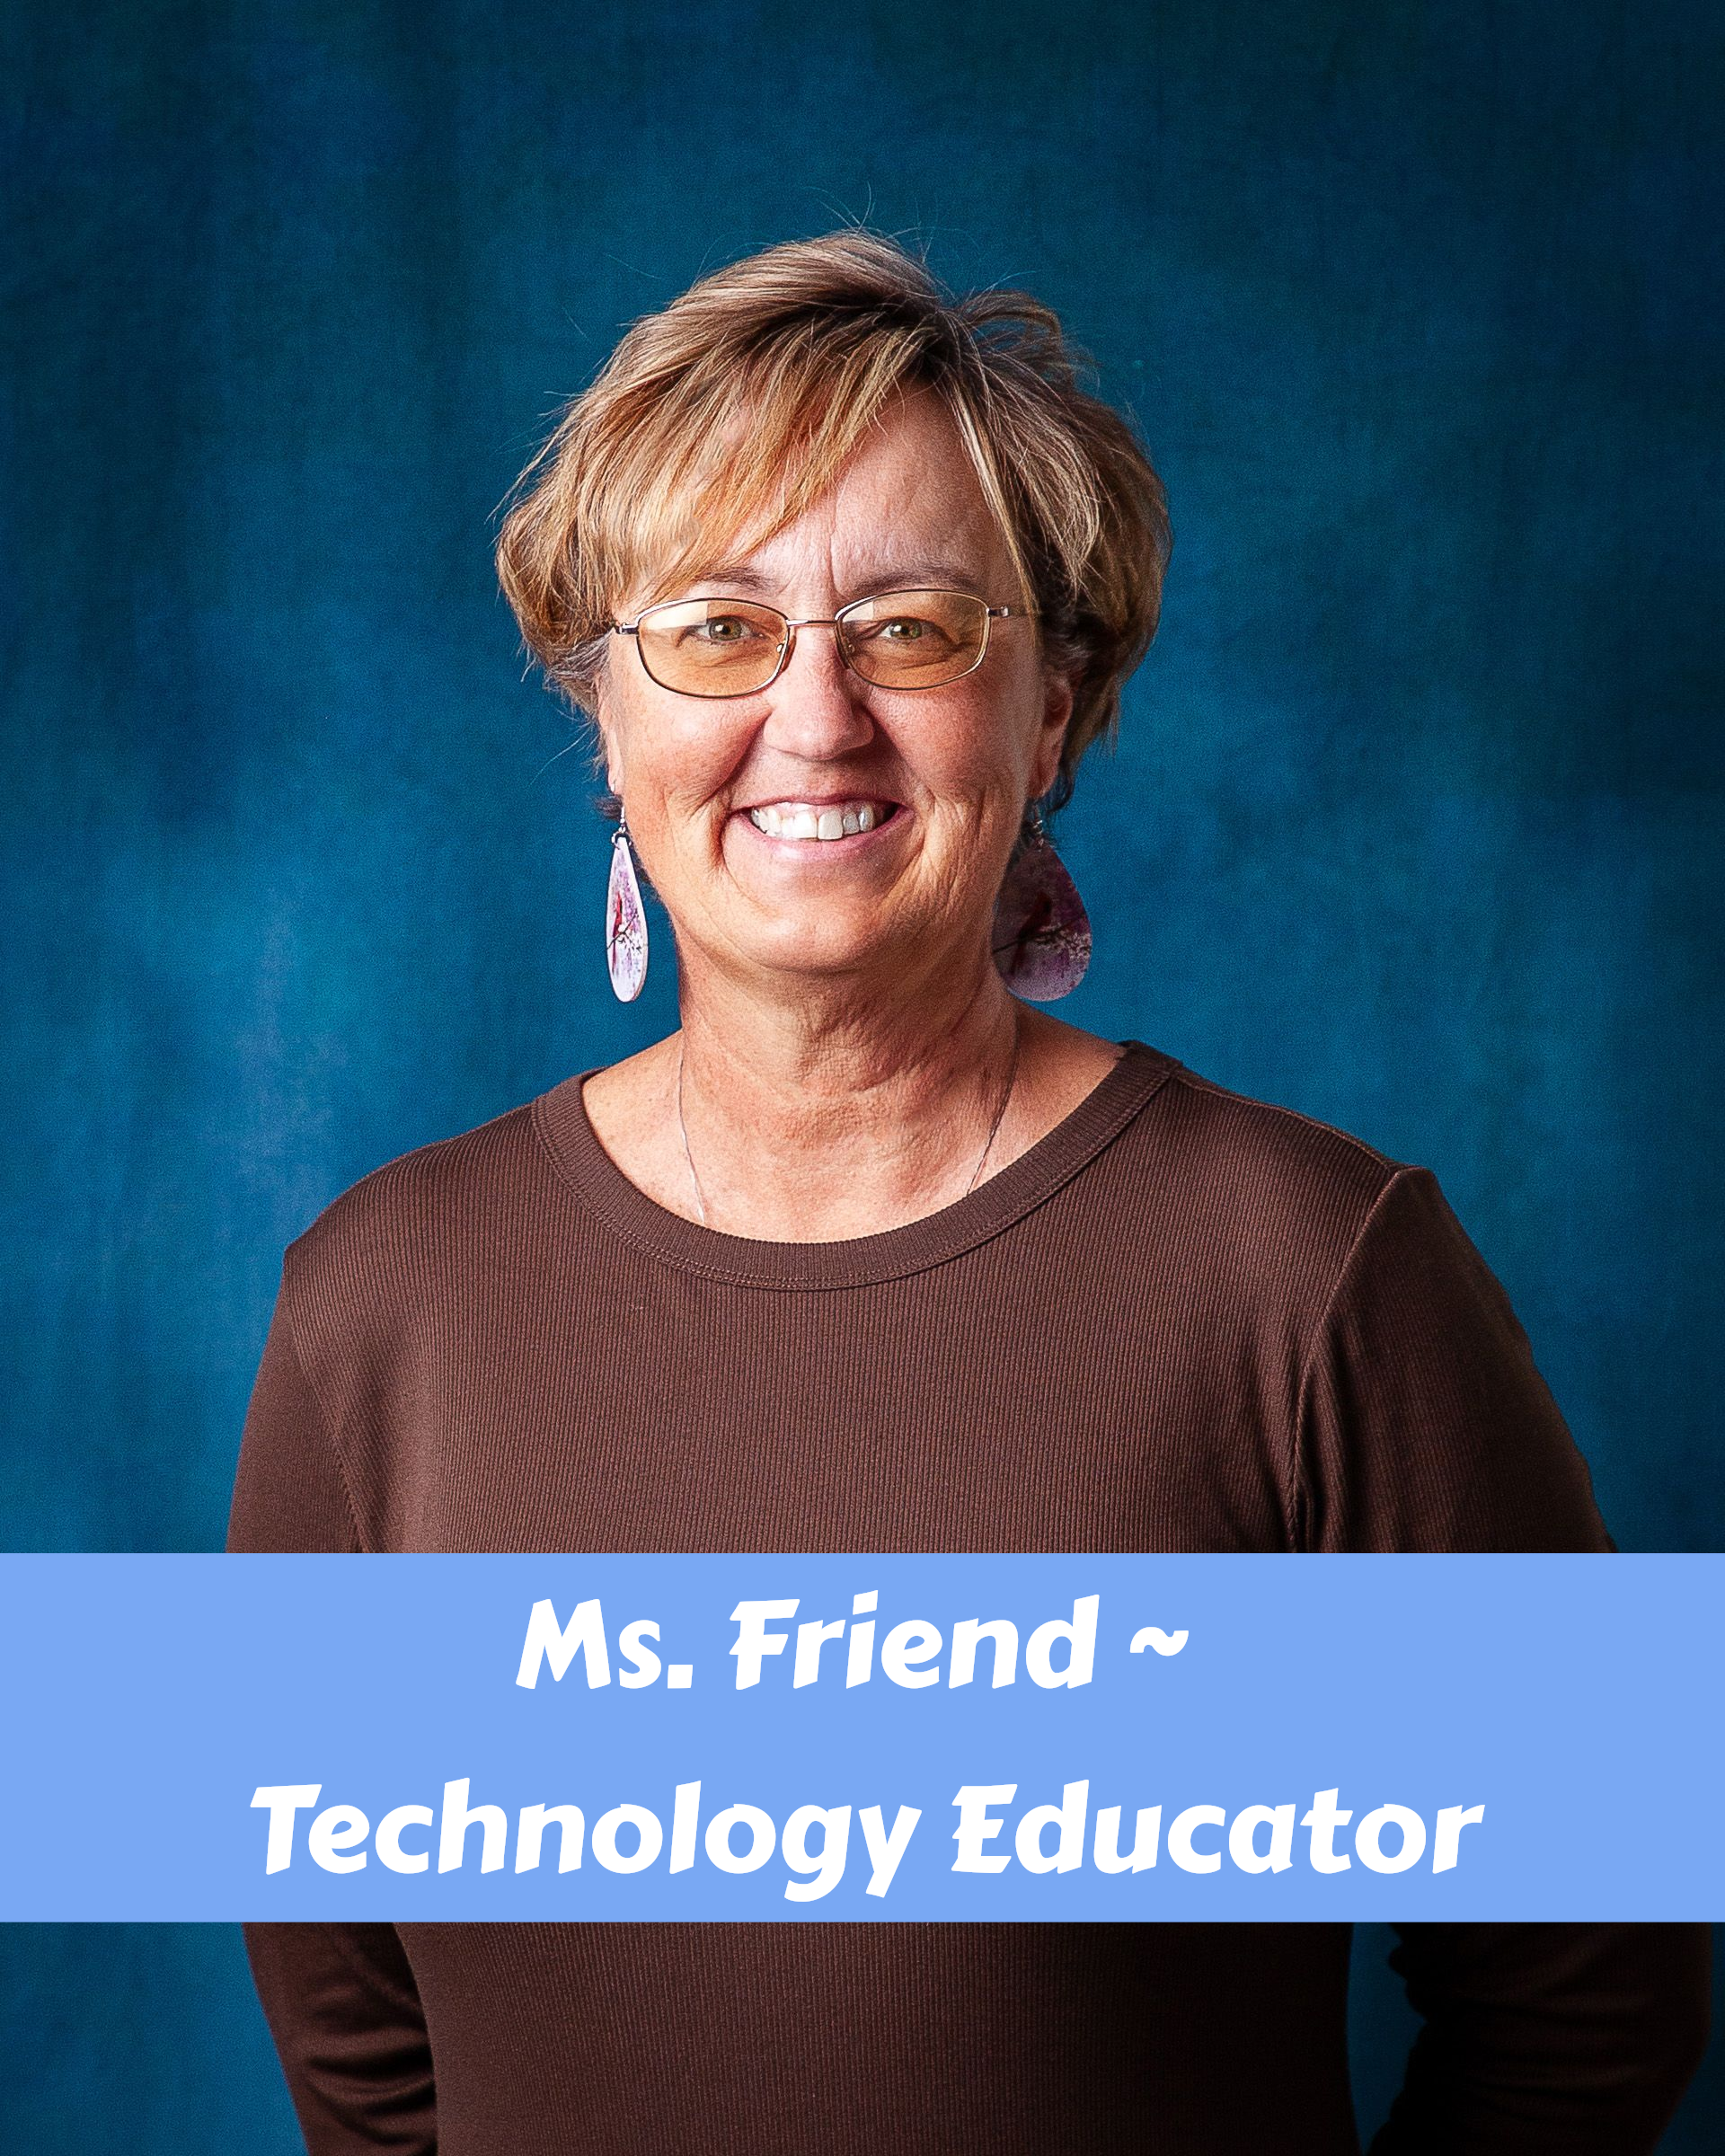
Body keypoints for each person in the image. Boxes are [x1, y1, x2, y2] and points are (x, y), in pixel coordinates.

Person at [228, 231, 1709, 2154]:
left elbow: (1590, 2007)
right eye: (717, 628)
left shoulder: (1321, 1274)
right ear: (605, 716)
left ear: (1060, 711)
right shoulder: (374, 1309)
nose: (817, 719)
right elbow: (364, 2072)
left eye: (915, 629)